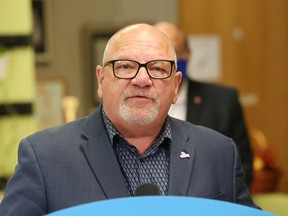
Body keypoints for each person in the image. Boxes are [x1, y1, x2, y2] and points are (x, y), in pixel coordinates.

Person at [0, 23, 257, 215]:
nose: (142, 80)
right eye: (125, 66)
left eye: (157, 68)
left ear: (176, 86)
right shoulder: (44, 158)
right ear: (101, 80)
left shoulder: (219, 153)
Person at [154, 22, 254, 187]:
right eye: (157, 56)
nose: (165, 63)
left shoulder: (223, 101)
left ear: (187, 54)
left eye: (174, 53)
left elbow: (243, 167)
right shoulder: (136, 101)